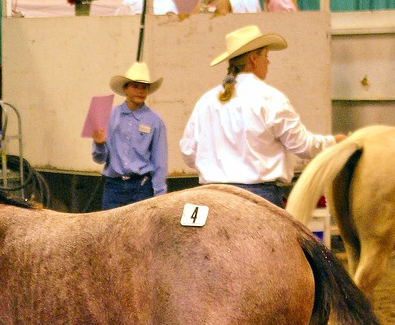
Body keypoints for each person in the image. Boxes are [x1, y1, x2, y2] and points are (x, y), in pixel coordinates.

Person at [180, 25, 342, 208]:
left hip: (211, 197)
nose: (268, 62)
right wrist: (332, 143)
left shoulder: (206, 101)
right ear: (253, 59)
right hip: (258, 196)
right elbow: (301, 144)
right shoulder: (270, 98)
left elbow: (188, 152)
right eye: (266, 56)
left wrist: (217, 166)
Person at [91, 62, 167, 209]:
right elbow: (99, 159)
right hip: (114, 186)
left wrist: (160, 196)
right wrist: (99, 144)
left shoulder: (155, 121)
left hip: (141, 187)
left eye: (144, 87)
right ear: (125, 89)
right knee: (111, 231)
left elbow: (160, 161)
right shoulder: (107, 115)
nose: (140, 91)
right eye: (135, 86)